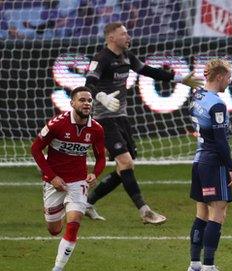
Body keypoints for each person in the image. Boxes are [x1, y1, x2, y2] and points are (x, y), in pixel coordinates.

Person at [83, 21, 202, 224]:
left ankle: (87, 203)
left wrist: (180, 78)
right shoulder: (101, 59)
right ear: (111, 37)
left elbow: (148, 71)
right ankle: (145, 211)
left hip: (121, 118)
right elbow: (89, 84)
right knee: (126, 162)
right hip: (103, 119)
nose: (128, 37)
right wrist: (101, 97)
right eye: (123, 34)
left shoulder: (127, 56)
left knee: (125, 169)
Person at [30, 86, 106, 271]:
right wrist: (52, 176)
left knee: (74, 224)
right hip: (54, 183)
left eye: (89, 100)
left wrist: (94, 174)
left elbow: (101, 159)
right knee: (54, 230)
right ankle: (63, 209)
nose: (87, 103)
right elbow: (36, 149)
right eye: (82, 100)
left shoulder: (96, 129)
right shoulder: (57, 124)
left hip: (78, 182)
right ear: (72, 103)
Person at [185, 59, 232, 271]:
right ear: (219, 77)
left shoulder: (197, 96)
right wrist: (231, 169)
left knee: (201, 214)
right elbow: (220, 141)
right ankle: (209, 267)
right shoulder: (217, 105)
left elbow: (196, 88)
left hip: (198, 161)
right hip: (213, 162)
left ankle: (194, 264)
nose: (229, 81)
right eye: (227, 77)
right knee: (218, 212)